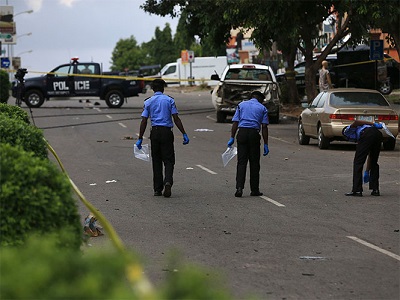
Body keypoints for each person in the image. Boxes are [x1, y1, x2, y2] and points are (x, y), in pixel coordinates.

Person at [135, 79, 189, 198]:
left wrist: (140, 138)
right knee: (169, 160)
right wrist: (184, 133)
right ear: (163, 88)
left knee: (156, 160)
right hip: (167, 132)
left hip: (155, 132)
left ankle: (157, 189)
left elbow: (144, 120)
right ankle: (168, 181)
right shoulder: (169, 100)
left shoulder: (148, 102)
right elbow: (176, 118)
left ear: (153, 89)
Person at [227, 91, 269, 197]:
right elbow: (264, 127)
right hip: (254, 135)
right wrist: (266, 144)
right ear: (260, 99)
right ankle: (254, 190)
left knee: (241, 162)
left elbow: (235, 122)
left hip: (242, 133)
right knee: (254, 163)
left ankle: (239, 188)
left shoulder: (241, 105)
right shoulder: (262, 108)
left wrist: (232, 137)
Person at [342, 120, 383, 197]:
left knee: (358, 162)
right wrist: (367, 171)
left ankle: (357, 190)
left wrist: (374, 123)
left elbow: (356, 121)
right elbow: (370, 156)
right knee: (374, 161)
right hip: (377, 134)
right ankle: (375, 190)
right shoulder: (366, 129)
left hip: (366, 134)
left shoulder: (347, 131)